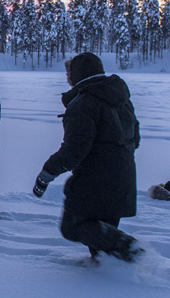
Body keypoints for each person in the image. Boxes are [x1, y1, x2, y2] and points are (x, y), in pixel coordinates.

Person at [33, 52, 142, 261]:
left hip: (95, 180)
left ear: (75, 76)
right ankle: (115, 275)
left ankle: (127, 247)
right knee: (102, 239)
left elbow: (74, 150)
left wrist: (46, 173)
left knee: (73, 226)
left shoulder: (83, 104)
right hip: (124, 177)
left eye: (68, 74)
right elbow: (134, 138)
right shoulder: (121, 100)